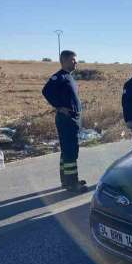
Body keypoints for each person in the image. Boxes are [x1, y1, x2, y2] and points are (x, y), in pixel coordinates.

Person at [42, 50, 87, 193]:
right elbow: (46, 91)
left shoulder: (69, 77)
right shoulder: (59, 76)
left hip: (73, 119)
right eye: (73, 60)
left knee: (67, 150)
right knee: (70, 151)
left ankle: (67, 180)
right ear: (65, 61)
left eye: (76, 60)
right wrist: (59, 107)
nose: (76, 62)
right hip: (66, 119)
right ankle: (72, 183)